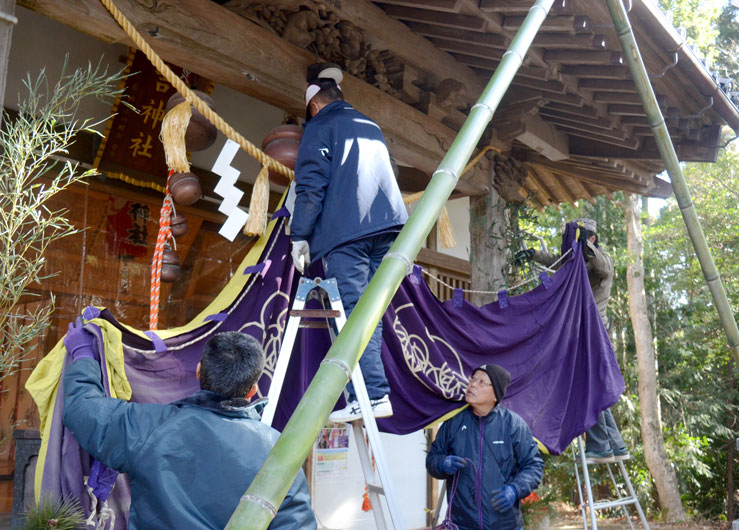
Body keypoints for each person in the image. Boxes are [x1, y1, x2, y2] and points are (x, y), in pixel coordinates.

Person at [62, 325, 317, 529]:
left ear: (198, 372)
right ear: (252, 390)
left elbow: (84, 411)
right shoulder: (278, 450)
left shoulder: (151, 427)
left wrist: (83, 355)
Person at [289, 63, 408, 423]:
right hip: (387, 229)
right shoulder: (369, 125)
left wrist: (299, 236)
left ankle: (371, 395)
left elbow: (311, 188)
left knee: (354, 314)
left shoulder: (319, 126)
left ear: (313, 105)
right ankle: (374, 393)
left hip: (347, 233)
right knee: (369, 312)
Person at [515, 218, 628, 462]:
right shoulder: (575, 262)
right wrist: (533, 253)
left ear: (592, 239)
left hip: (594, 331)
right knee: (590, 386)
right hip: (579, 331)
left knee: (587, 386)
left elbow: (603, 268)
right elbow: (559, 260)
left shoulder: (600, 261)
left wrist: (586, 244)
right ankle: (612, 444)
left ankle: (602, 444)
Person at [426, 364, 544, 530]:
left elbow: (534, 466)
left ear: (496, 394)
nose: (473, 384)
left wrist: (515, 489)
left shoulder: (513, 425)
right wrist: (442, 463)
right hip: (461, 524)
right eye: (473, 379)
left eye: (482, 382)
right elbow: (432, 459)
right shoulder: (453, 423)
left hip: (505, 526)